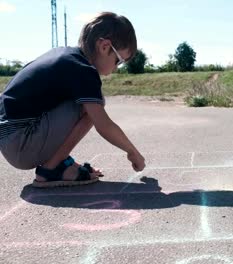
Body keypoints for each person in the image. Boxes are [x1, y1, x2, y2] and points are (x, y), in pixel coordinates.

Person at [0, 12, 146, 188]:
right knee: (94, 104)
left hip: (12, 138)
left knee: (87, 101)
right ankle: (51, 169)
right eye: (119, 60)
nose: (117, 68)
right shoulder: (83, 69)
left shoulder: (66, 56)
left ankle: (58, 162)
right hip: (20, 143)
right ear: (105, 46)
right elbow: (103, 124)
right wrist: (133, 152)